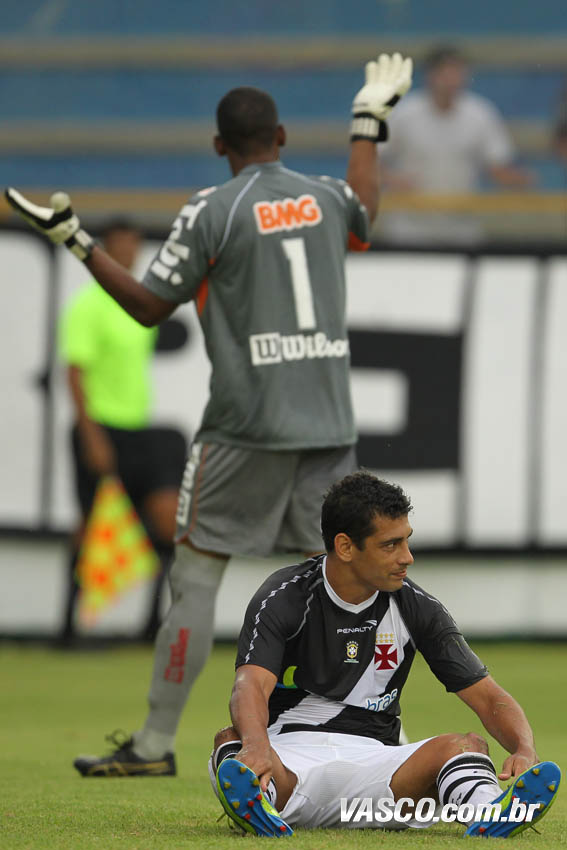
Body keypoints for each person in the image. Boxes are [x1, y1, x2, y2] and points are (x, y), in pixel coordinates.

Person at [4, 52, 413, 777]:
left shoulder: (212, 209)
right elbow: (366, 205)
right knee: (343, 580)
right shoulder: (324, 196)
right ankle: (356, 734)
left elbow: (147, 306)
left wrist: (76, 240)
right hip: (328, 427)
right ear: (281, 137)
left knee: (194, 578)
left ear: (219, 145)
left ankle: (154, 745)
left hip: (242, 430)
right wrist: (365, 122)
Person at [208, 471, 560, 838]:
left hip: (378, 776)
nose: (407, 557)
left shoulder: (417, 607)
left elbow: (488, 697)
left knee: (465, 746)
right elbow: (249, 686)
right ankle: (261, 802)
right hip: (291, 762)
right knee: (232, 742)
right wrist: (256, 746)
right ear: (345, 547)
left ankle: (491, 811)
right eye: (390, 545)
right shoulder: (284, 596)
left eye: (407, 541)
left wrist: (525, 748)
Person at [57, 220, 186, 644]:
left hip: (139, 428)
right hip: (100, 427)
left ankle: (150, 624)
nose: (128, 254)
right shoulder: (87, 305)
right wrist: (90, 434)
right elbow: (74, 373)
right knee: (91, 526)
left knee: (165, 518)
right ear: (104, 251)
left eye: (134, 245)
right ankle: (69, 627)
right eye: (120, 246)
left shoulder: (139, 304)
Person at [380, 45, 533, 244]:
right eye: (446, 73)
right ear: (430, 75)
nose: (452, 80)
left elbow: (496, 165)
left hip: (461, 226)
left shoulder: (480, 114)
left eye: (457, 73)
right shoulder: (404, 113)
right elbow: (371, 160)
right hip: (410, 226)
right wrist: (393, 179)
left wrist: (518, 179)